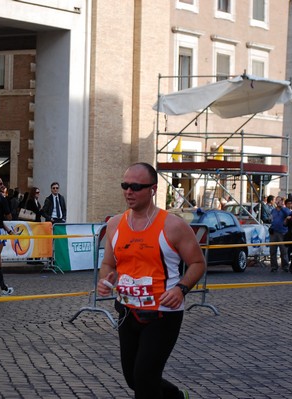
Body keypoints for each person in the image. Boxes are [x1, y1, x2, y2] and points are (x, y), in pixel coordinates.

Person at [96, 162, 206, 399]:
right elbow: (108, 264)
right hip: (127, 310)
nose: (129, 192)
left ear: (153, 189)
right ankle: (176, 396)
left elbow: (198, 263)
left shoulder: (173, 225)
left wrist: (181, 289)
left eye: (136, 186)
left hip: (162, 312)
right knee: (133, 378)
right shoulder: (115, 224)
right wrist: (106, 279)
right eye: (125, 185)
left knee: (145, 378)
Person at [269, 196, 292, 272]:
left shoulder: (285, 210)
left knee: (283, 250)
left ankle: (285, 266)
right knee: (272, 250)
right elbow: (271, 219)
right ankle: (274, 266)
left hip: (282, 232)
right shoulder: (273, 211)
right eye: (277, 200)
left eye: (280, 201)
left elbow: (289, 215)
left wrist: (281, 207)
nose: (279, 202)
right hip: (274, 232)